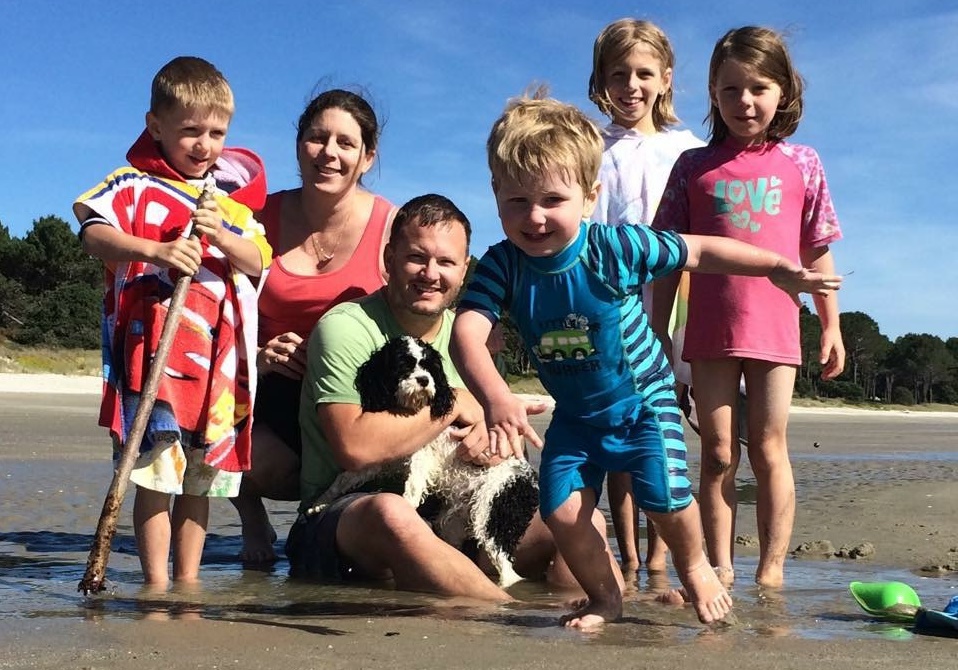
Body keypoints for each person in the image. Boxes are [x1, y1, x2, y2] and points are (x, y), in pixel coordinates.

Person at [449, 92, 842, 628]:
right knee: (561, 512)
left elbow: (699, 250)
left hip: (642, 402)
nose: (535, 218)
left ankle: (696, 566)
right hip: (577, 415)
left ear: (589, 198)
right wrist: (496, 395)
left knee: (665, 498)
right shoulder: (503, 265)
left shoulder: (614, 247)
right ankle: (606, 596)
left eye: (552, 200)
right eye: (517, 201)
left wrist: (775, 266)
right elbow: (466, 332)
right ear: (495, 194)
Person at [286, 193, 611, 601]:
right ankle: (508, 618)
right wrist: (453, 402)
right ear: (388, 258)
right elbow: (355, 447)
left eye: (445, 263)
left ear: (463, 272)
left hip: (455, 510)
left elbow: (512, 453)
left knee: (582, 519)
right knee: (392, 512)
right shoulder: (346, 326)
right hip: (343, 519)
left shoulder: (472, 337)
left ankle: (602, 620)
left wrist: (492, 446)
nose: (430, 274)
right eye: (417, 257)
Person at [651, 26, 846, 590]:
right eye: (731, 89)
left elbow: (818, 251)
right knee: (714, 454)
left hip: (776, 327)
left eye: (759, 87)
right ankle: (720, 565)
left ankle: (772, 570)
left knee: (767, 447)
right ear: (713, 92)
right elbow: (669, 257)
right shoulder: (693, 165)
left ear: (783, 91)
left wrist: (830, 326)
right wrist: (660, 332)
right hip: (710, 329)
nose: (745, 101)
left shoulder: (802, 163)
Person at [73, 56, 271, 587]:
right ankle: (156, 583)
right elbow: (91, 231)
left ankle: (187, 581)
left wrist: (225, 235)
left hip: (216, 370)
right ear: (155, 126)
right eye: (189, 131)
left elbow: (260, 261)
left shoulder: (229, 204)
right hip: (152, 361)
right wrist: (155, 250)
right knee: (157, 475)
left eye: (216, 133)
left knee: (200, 482)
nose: (204, 145)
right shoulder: (130, 184)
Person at [230, 89, 395, 563]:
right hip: (273, 392)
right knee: (218, 428)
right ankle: (253, 522)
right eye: (317, 138)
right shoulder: (257, 219)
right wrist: (257, 358)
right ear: (299, 144)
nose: (329, 153)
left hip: (360, 396)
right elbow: (217, 310)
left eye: (346, 143)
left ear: (367, 157)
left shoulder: (390, 225)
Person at [588, 17, 705, 575]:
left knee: (663, 424)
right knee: (617, 424)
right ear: (601, 80)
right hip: (608, 301)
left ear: (665, 79)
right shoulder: (590, 145)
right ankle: (628, 555)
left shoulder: (688, 150)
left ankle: (662, 555)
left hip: (674, 298)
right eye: (618, 74)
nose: (630, 87)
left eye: (642, 74)